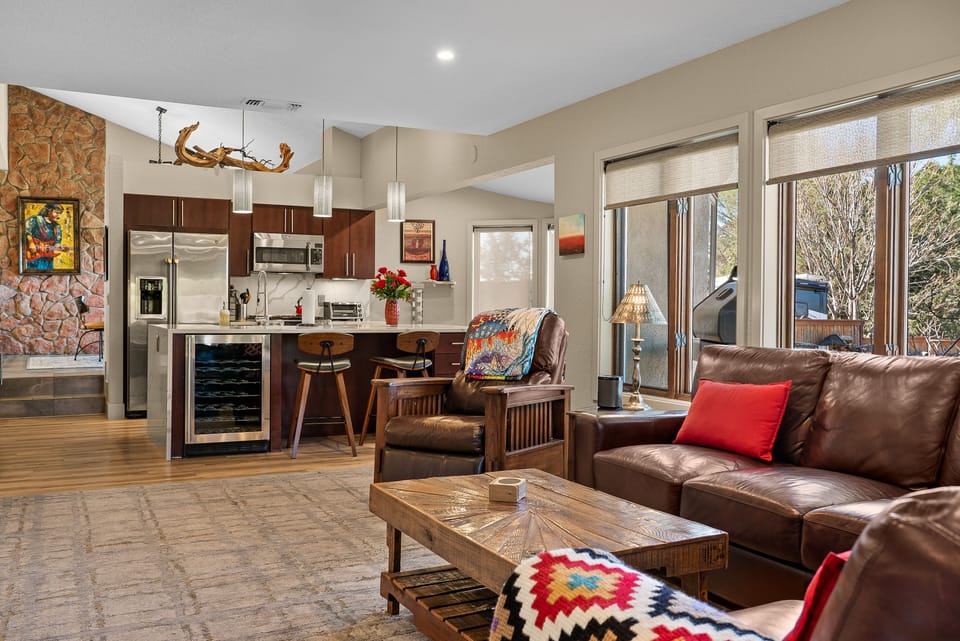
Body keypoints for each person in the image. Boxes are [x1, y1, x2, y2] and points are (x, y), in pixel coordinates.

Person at [24, 202, 64, 270]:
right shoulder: (35, 219)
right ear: (49, 211)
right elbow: (26, 230)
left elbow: (58, 241)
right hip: (34, 253)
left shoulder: (57, 226)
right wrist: (31, 242)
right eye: (56, 213)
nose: (59, 216)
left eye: (60, 213)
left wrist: (58, 246)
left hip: (47, 256)